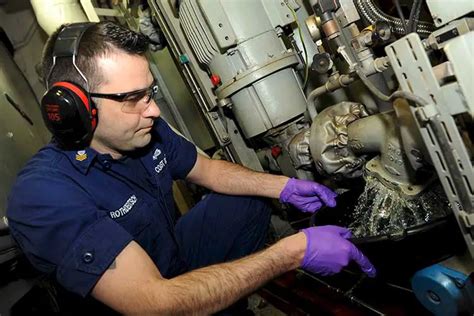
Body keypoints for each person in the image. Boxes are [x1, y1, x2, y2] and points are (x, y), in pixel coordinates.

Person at [7, 21, 375, 314]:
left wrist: (283, 186)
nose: (153, 110)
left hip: (171, 258)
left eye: (149, 92)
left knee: (247, 201)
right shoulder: (42, 196)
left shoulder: (145, 130)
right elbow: (153, 304)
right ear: (74, 108)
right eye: (133, 98)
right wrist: (292, 252)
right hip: (144, 302)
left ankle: (219, 301)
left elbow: (208, 171)